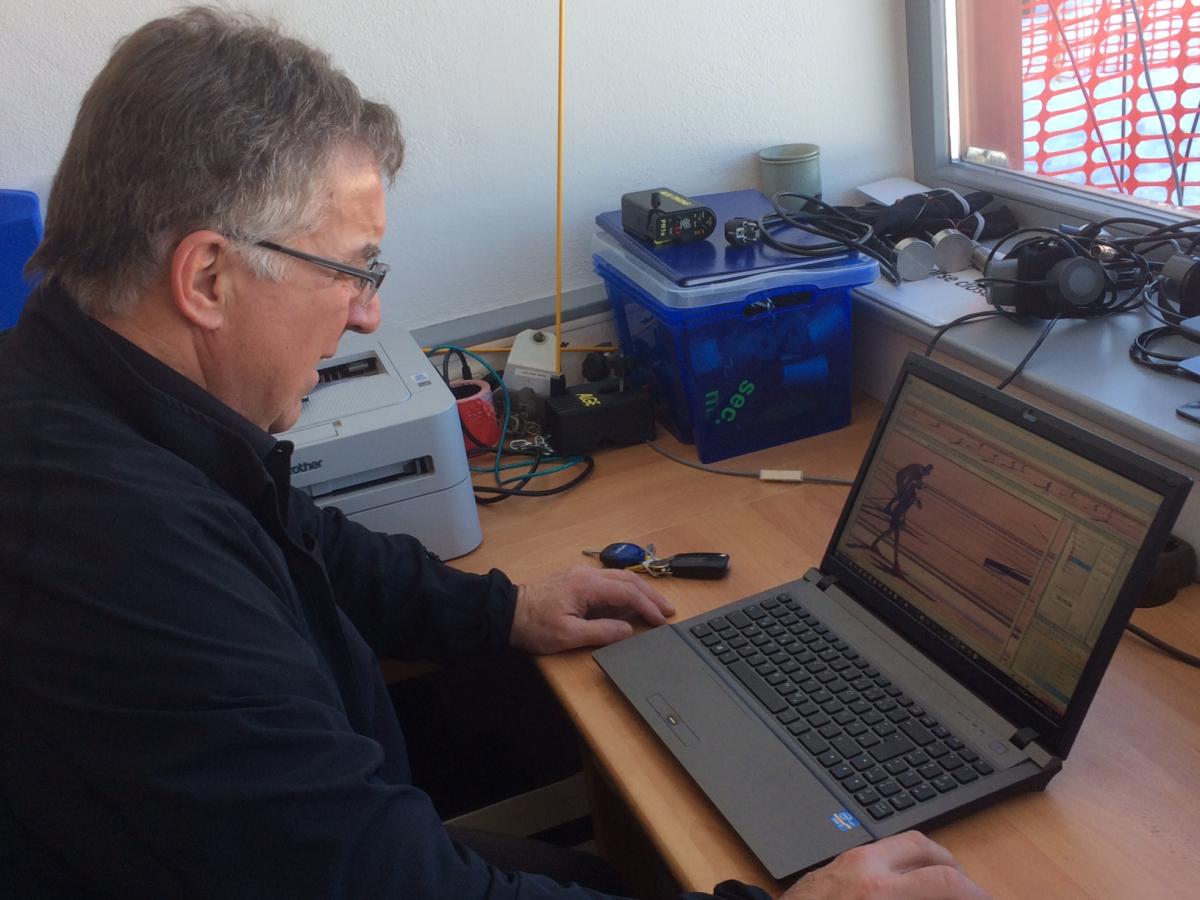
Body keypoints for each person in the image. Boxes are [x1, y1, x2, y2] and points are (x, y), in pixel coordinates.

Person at [0, 8, 989, 899]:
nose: (367, 314)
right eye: (349, 271)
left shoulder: (92, 386)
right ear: (208, 276)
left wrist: (503, 609)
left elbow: (306, 546)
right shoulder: (106, 554)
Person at [869, 463, 934, 575]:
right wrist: (902, 518)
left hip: (897, 515)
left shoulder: (911, 494)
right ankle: (895, 564)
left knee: (890, 533)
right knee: (896, 539)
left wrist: (906, 514)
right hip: (897, 515)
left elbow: (906, 506)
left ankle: (875, 543)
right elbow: (904, 506)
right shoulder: (910, 493)